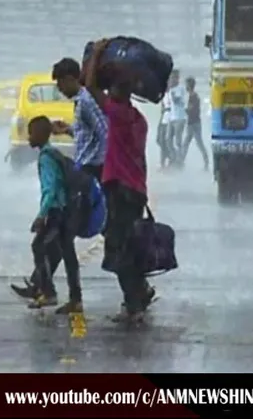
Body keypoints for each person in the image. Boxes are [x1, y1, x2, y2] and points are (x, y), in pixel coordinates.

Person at [12, 57, 108, 302]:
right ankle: (42, 286)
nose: (59, 90)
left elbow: (104, 133)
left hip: (86, 176)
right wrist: (67, 130)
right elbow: (88, 134)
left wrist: (91, 166)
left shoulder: (85, 102)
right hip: (82, 173)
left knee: (64, 240)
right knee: (59, 238)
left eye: (60, 85)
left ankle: (68, 296)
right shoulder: (81, 104)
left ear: (70, 79)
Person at [85, 39, 155, 323]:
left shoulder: (116, 114)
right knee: (130, 244)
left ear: (118, 93)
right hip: (136, 189)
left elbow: (89, 87)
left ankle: (134, 302)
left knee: (118, 246)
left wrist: (99, 52)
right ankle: (139, 293)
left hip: (120, 189)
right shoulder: (140, 119)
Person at [25, 116, 82, 314]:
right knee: (67, 252)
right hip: (67, 209)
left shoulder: (46, 157)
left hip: (56, 211)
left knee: (38, 246)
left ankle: (48, 292)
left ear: (40, 135)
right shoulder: (54, 153)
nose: (28, 137)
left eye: (31, 133)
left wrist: (42, 215)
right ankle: (75, 298)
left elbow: (50, 189)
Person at [181, 77, 209, 171]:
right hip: (194, 122)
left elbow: (190, 109)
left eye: (186, 85)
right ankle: (205, 162)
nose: (185, 86)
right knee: (190, 143)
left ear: (189, 86)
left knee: (195, 143)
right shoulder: (193, 96)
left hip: (194, 123)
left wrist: (183, 109)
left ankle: (206, 162)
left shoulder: (193, 97)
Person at [165, 71, 187, 166]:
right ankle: (173, 158)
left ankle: (180, 161)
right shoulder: (170, 89)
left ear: (177, 78)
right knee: (168, 139)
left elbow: (178, 101)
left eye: (174, 78)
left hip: (180, 118)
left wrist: (172, 94)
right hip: (172, 117)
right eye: (171, 78)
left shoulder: (180, 89)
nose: (172, 80)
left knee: (178, 141)